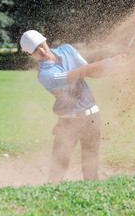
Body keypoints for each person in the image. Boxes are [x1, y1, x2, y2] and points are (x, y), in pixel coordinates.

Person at [20, 30, 125, 183]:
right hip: (68, 123)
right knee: (58, 168)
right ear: (29, 54)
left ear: (45, 40)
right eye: (35, 50)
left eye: (41, 45)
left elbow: (91, 72)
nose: (42, 51)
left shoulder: (67, 49)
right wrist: (108, 62)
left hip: (92, 118)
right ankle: (51, 199)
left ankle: (93, 198)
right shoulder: (45, 75)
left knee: (91, 166)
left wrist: (112, 70)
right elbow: (78, 73)